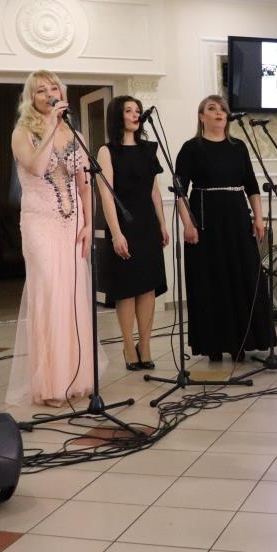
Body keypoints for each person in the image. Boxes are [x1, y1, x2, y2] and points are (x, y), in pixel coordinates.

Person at [5, 70, 96, 407]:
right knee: (49, 296)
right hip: (40, 223)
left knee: (72, 297)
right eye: (40, 90)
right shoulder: (22, 133)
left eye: (52, 88)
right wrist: (52, 127)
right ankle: (50, 383)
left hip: (72, 224)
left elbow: (85, 184)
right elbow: (36, 167)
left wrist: (89, 223)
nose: (48, 94)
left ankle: (76, 377)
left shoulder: (76, 134)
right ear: (31, 98)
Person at [175, 95, 275, 361]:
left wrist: (259, 218)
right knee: (210, 280)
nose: (219, 113)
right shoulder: (191, 148)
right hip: (205, 220)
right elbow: (180, 191)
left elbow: (252, 185)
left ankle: (241, 342)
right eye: (212, 109)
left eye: (222, 109)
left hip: (236, 218)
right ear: (201, 116)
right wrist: (188, 224)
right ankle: (214, 345)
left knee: (243, 275)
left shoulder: (238, 146)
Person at [97, 95, 168, 371]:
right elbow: (106, 195)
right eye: (129, 111)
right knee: (126, 289)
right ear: (118, 116)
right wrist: (116, 233)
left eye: (137, 110)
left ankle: (145, 345)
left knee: (147, 287)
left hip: (147, 225)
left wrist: (162, 223)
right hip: (123, 225)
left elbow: (154, 191)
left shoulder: (149, 149)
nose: (136, 115)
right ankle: (128, 346)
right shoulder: (107, 151)